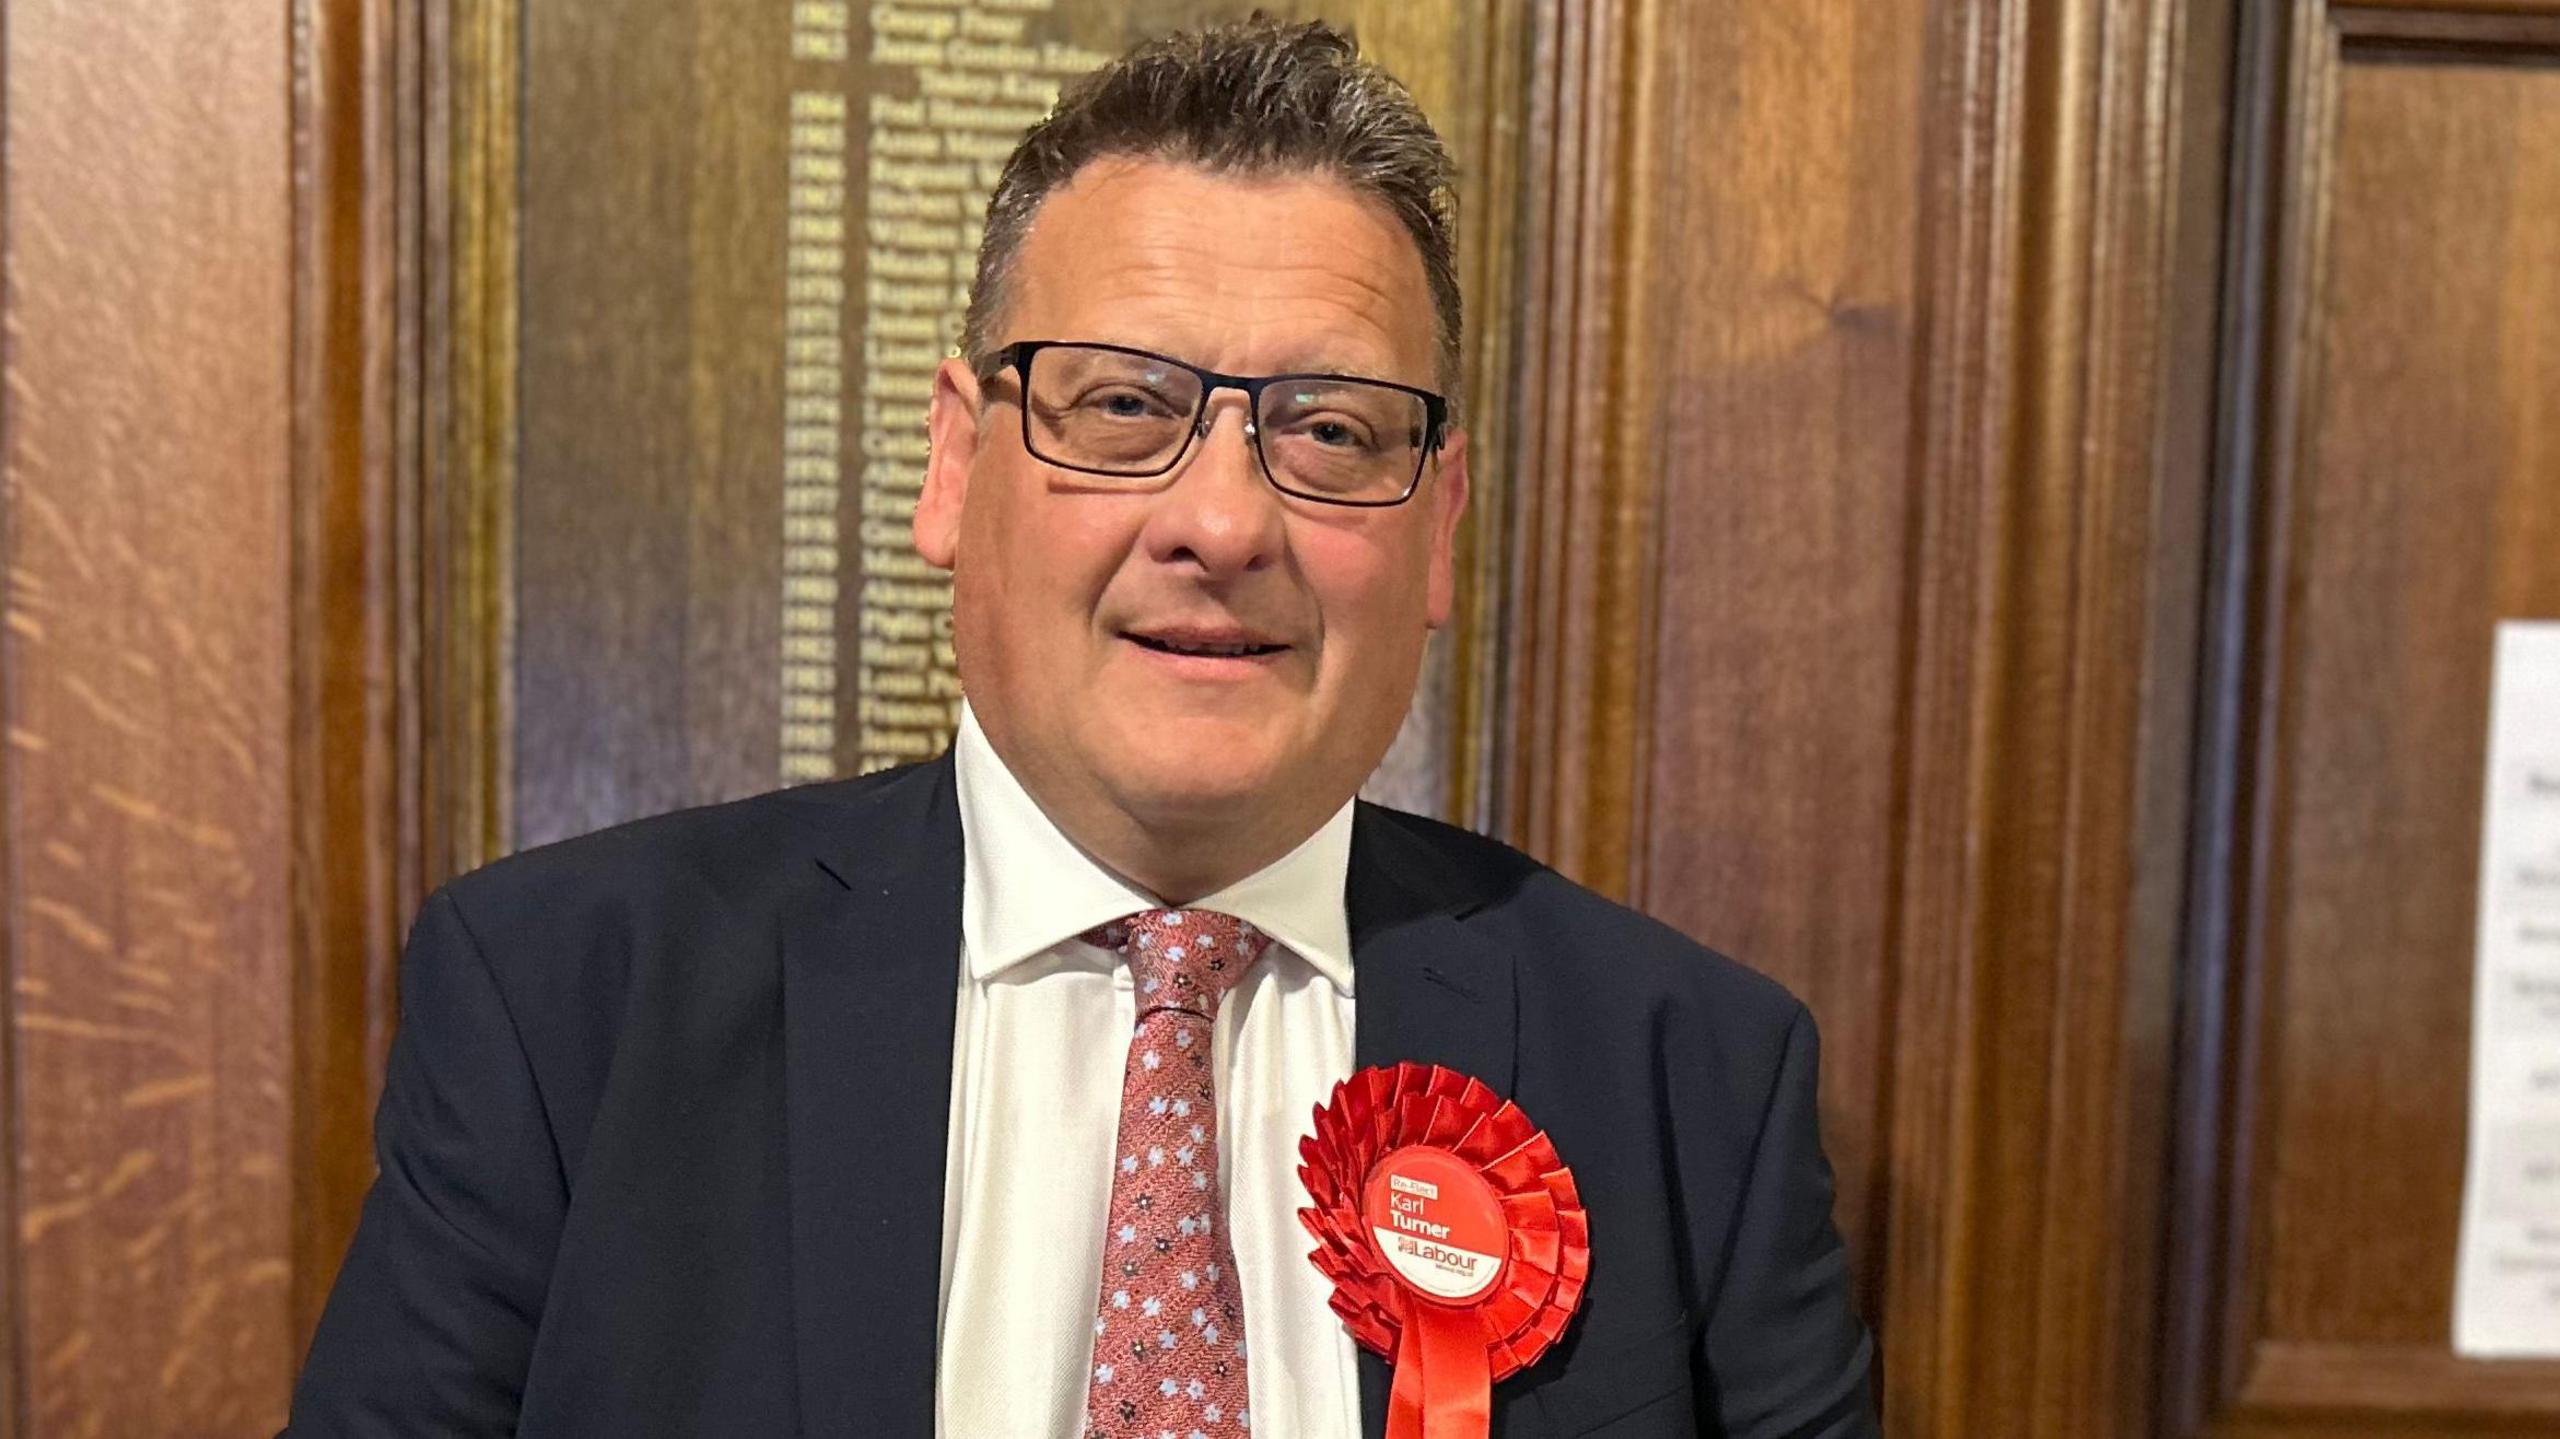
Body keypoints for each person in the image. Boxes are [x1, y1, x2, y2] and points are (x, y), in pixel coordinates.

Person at [287, 19, 1876, 1438]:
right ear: (958, 468)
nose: (1223, 519)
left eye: (1329, 429)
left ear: (1439, 524)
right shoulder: (565, 1009)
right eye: (1123, 405)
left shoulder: (1695, 1082)